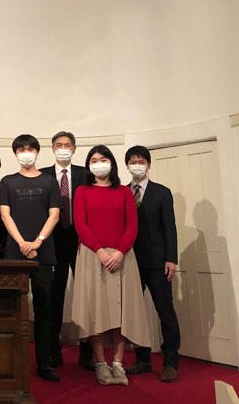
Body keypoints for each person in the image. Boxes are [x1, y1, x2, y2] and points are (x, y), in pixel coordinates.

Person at [71, 145, 151, 386]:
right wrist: (99, 250)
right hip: (92, 256)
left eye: (103, 159)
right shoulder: (82, 191)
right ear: (89, 166)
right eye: (94, 160)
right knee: (96, 311)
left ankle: (117, 362)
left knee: (121, 312)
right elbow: (80, 225)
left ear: (112, 163)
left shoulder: (124, 192)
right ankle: (100, 363)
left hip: (122, 256)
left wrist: (119, 252)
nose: (99, 164)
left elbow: (132, 226)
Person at [0, 134, 62, 382]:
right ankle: (10, 362)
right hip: (15, 254)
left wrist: (37, 242)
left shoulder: (49, 181)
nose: (26, 153)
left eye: (30, 149)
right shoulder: (7, 182)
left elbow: (54, 215)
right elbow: (5, 215)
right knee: (12, 308)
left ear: (37, 152)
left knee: (44, 309)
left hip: (43, 254)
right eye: (21, 149)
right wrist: (23, 243)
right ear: (16, 154)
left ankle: (44, 363)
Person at [124, 145, 180, 383]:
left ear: (148, 164)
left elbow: (170, 228)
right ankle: (143, 359)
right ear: (127, 166)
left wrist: (171, 258)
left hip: (158, 262)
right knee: (135, 313)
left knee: (165, 312)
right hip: (131, 261)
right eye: (133, 162)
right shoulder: (123, 192)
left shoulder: (162, 192)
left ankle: (170, 362)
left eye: (141, 161)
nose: (137, 165)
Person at [39, 131, 94, 370]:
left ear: (74, 149)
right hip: (53, 242)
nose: (63, 148)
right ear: (53, 148)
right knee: (55, 296)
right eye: (59, 145)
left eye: (67, 145)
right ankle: (53, 350)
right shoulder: (43, 175)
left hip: (82, 241)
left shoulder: (86, 174)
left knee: (87, 296)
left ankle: (87, 353)